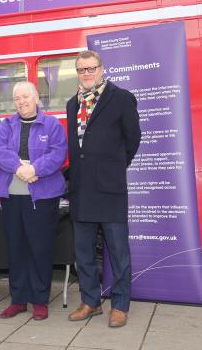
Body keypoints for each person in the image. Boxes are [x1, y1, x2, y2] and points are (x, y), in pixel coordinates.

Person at [66, 50, 141, 328]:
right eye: (81, 70)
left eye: (91, 68)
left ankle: (120, 305)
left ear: (101, 69)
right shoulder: (72, 103)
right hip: (82, 190)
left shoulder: (121, 98)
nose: (87, 74)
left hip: (110, 188)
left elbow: (133, 140)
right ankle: (91, 301)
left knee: (119, 252)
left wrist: (115, 166)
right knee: (83, 252)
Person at [0, 81, 67, 321]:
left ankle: (40, 300)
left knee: (40, 249)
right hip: (12, 197)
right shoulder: (6, 125)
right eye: (17, 98)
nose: (21, 101)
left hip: (43, 198)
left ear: (36, 99)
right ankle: (19, 300)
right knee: (16, 249)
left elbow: (58, 153)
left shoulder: (52, 125)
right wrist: (19, 168)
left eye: (25, 96)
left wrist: (35, 168)